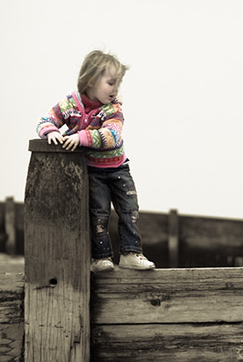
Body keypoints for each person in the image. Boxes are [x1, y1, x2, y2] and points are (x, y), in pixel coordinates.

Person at [36, 50, 155, 272]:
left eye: (118, 84)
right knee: (98, 213)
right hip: (94, 172)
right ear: (90, 80)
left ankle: (130, 253)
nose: (116, 89)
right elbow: (45, 120)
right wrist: (51, 131)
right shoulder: (70, 104)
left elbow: (112, 137)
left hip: (119, 169)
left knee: (129, 210)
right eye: (111, 83)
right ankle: (101, 258)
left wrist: (80, 137)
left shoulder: (113, 108)